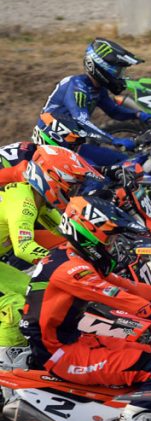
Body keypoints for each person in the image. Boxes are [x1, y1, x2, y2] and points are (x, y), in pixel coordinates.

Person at [20, 196, 151, 421]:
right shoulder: (72, 270)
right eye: (109, 239)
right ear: (87, 233)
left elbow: (129, 287)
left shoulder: (69, 257)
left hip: (73, 342)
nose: (113, 246)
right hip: (61, 354)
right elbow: (123, 299)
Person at [0, 146, 103, 362]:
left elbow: (67, 234)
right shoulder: (23, 200)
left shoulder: (36, 198)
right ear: (51, 179)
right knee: (13, 306)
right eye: (70, 185)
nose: (73, 192)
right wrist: (63, 266)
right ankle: (9, 369)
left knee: (32, 291)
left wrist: (100, 250)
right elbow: (24, 247)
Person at [38, 38, 151, 166]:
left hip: (74, 147)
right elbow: (82, 122)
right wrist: (114, 140)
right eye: (118, 71)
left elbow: (114, 111)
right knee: (105, 175)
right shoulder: (77, 86)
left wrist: (139, 115)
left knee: (125, 162)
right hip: (53, 149)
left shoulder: (97, 88)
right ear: (102, 68)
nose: (121, 77)